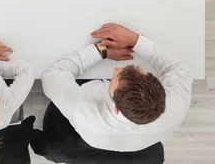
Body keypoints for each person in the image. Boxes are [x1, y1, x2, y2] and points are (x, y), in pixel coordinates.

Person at [40, 23, 192, 153]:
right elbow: (177, 69)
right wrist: (136, 40)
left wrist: (101, 50)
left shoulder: (84, 110)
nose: (116, 70)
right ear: (159, 86)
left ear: (117, 108)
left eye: (116, 77)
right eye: (137, 68)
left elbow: (52, 74)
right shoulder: (176, 104)